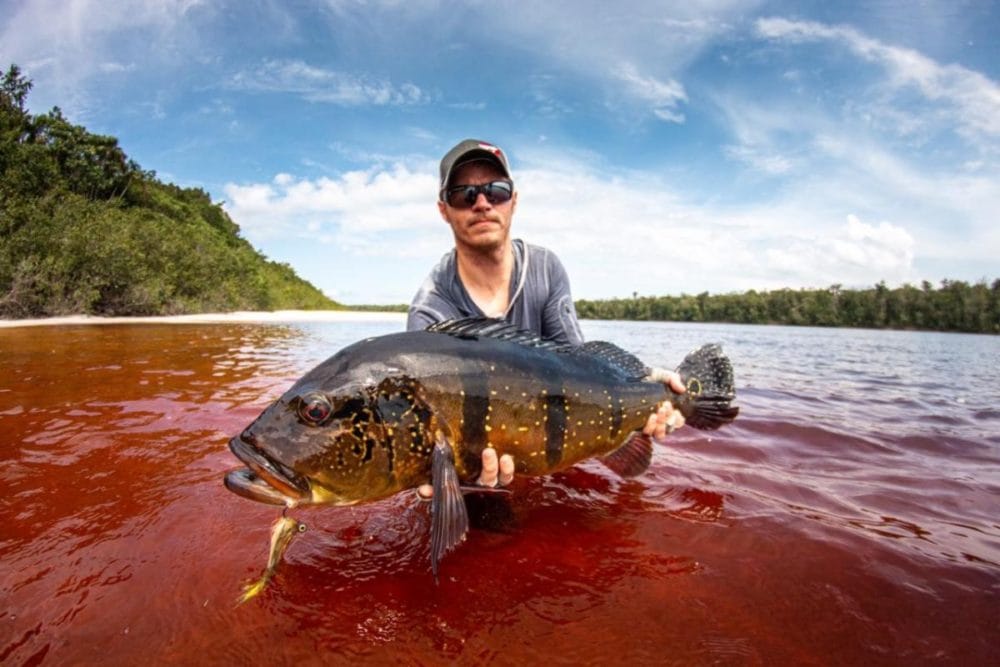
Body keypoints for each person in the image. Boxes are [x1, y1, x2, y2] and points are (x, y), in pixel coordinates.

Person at [409, 139, 685, 497]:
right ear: (444, 209)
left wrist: (648, 385)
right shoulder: (430, 310)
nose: (482, 203)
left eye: (496, 191)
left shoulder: (545, 269)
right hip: (486, 469)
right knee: (488, 525)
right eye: (464, 194)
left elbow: (580, 365)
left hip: (556, 440)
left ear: (514, 201)